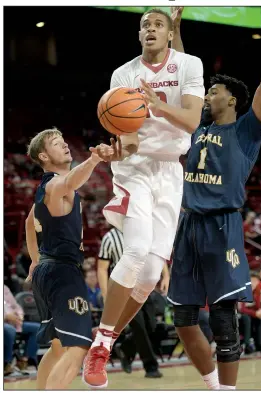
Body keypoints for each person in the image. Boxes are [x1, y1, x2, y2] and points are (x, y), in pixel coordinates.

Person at [83, 7, 204, 388]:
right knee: (134, 253)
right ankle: (101, 348)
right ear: (139, 35)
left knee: (151, 274)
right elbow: (131, 136)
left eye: (157, 24)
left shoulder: (189, 64)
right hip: (136, 171)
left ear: (170, 34)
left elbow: (191, 121)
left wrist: (155, 104)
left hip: (170, 172)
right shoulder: (124, 74)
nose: (149, 29)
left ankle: (105, 339)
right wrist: (116, 152)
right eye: (144, 25)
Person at [167, 6, 261, 391]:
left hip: (222, 223)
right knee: (182, 318)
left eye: (214, 91)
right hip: (188, 224)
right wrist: (176, 28)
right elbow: (185, 74)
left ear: (232, 100)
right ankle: (213, 382)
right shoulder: (199, 123)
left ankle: (229, 391)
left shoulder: (248, 130)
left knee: (223, 319)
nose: (206, 95)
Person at [25, 128, 117, 389]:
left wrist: (35, 259)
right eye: (57, 143)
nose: (65, 145)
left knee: (57, 349)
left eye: (65, 141)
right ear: (44, 156)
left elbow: (29, 222)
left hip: (47, 270)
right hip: (62, 273)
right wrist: (94, 160)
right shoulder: (55, 184)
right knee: (78, 347)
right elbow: (69, 183)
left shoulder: (45, 189)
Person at [97, 226, 169, 378]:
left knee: (151, 326)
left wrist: (166, 276)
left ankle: (126, 348)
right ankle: (151, 367)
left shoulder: (143, 230)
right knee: (139, 328)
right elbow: (102, 268)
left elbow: (156, 254)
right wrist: (106, 294)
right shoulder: (110, 238)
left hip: (144, 287)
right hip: (123, 290)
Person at [4, 284, 40, 375]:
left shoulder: (4, 288)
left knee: (37, 328)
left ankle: (25, 361)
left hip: (15, 323)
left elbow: (16, 306)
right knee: (9, 330)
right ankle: (6, 363)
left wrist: (20, 315)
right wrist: (5, 316)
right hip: (5, 323)